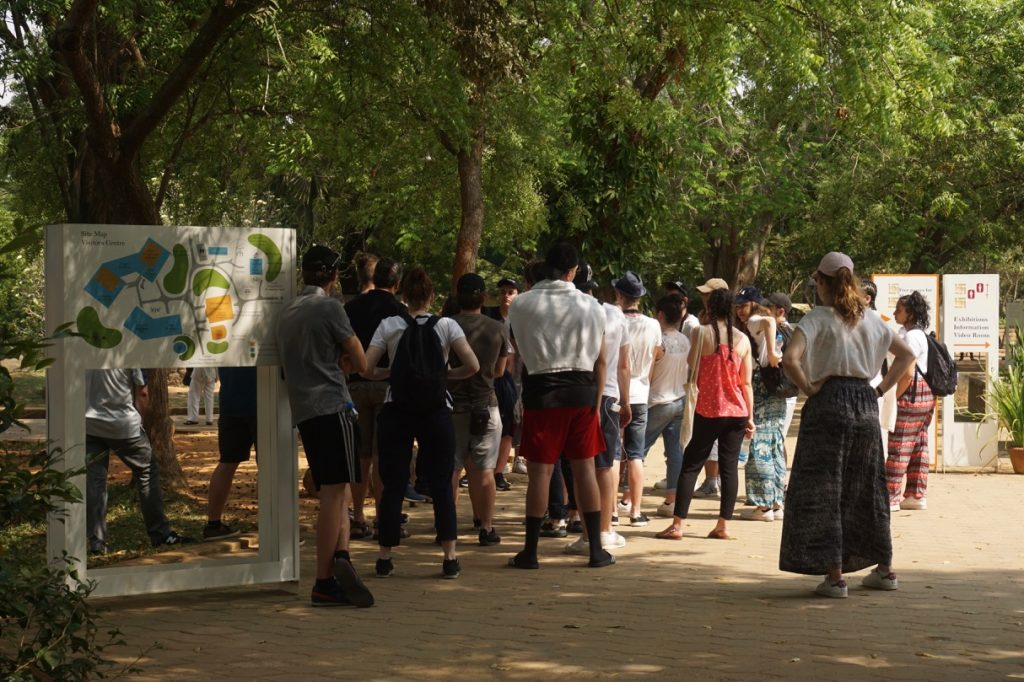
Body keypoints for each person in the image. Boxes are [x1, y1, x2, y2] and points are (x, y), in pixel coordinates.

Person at [779, 251, 916, 598]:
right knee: (868, 485)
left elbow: (790, 359)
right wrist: (881, 389)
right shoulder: (871, 319)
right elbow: (907, 356)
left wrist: (808, 387)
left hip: (828, 402)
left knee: (826, 486)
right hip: (865, 404)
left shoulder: (816, 319)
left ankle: (836, 577)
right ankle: (885, 569)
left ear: (821, 283)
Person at [362, 267, 480, 579]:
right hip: (435, 409)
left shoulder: (389, 324)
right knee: (442, 483)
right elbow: (473, 365)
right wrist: (444, 375)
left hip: (397, 409)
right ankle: (450, 556)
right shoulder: (447, 325)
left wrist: (387, 374)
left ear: (403, 295)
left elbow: (366, 366)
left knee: (393, 483)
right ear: (431, 296)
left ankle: (385, 557)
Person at [276, 244, 374, 608]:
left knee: (337, 490)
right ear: (333, 276)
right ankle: (323, 580)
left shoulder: (286, 310)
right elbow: (362, 362)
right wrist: (345, 359)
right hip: (333, 405)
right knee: (335, 494)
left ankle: (343, 555)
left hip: (305, 410)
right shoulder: (330, 307)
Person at [507, 243, 614, 569]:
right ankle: (596, 549)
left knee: (540, 473)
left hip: (542, 393)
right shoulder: (592, 306)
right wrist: (596, 405)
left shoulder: (520, 305)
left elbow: (517, 347)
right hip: (581, 393)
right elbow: (599, 357)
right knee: (584, 470)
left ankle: (530, 552)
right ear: (574, 271)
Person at [655, 287, 754, 541]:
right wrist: (751, 417)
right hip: (737, 411)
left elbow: (691, 362)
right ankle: (723, 525)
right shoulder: (742, 340)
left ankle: (677, 525)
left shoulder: (701, 332)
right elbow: (746, 383)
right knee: (729, 468)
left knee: (690, 466)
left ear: (710, 308)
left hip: (708, 409)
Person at [86, 369, 193, 555]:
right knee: (147, 472)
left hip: (89, 425)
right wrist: (142, 421)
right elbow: (142, 392)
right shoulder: (129, 349)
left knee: (95, 481)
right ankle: (160, 533)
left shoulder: (82, 346)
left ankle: (97, 543)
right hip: (123, 425)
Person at [564, 259, 630, 555]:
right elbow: (624, 365)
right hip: (611, 397)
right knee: (605, 464)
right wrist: (625, 401)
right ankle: (605, 529)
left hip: (580, 392)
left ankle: (590, 532)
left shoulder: (569, 312)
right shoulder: (615, 314)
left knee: (583, 465)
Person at [344, 257, 410, 538]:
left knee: (361, 455)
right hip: (387, 387)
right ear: (396, 284)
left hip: (355, 385)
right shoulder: (400, 313)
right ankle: (385, 518)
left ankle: (358, 517)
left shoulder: (351, 307)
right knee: (385, 456)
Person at [449, 273, 509, 546]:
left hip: (452, 407)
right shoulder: (497, 328)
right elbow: (499, 370)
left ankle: (447, 527)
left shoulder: (445, 326)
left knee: (452, 469)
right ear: (483, 298)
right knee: (485, 470)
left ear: (457, 297)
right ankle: (486, 527)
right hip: (486, 404)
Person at [734, 286, 786, 522]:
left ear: (754, 304)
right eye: (738, 306)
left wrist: (773, 354)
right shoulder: (766, 321)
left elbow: (766, 322)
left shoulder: (756, 320)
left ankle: (763, 506)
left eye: (743, 305)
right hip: (775, 384)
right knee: (775, 442)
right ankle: (776, 502)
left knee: (759, 440)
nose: (740, 311)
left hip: (760, 382)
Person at [615, 271, 661, 527]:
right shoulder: (653, 325)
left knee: (612, 454)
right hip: (640, 392)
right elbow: (654, 358)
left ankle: (611, 510)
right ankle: (635, 511)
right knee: (635, 454)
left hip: (615, 391)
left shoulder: (613, 321)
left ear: (620, 295)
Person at [887, 291, 935, 511]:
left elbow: (907, 373)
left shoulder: (911, 337)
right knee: (918, 445)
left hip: (912, 393)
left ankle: (891, 496)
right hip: (926, 394)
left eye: (899, 309)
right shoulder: (920, 334)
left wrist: (894, 398)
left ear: (910, 313)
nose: (895, 313)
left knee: (899, 445)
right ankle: (916, 494)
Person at [645, 294, 690, 519]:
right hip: (679, 400)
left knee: (637, 449)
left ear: (659, 315)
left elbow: (650, 373)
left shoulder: (659, 342)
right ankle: (672, 499)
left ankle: (624, 496)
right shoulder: (685, 340)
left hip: (658, 401)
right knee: (675, 452)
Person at [203, 366, 257, 540]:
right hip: (262, 403)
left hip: (231, 405)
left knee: (227, 463)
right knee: (271, 466)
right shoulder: (262, 339)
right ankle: (278, 527)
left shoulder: (226, 340)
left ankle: (213, 524)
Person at [691, 277, 730, 498]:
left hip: (723, 392)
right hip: (706, 389)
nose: (704, 299)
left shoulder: (727, 324)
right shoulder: (703, 319)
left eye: (708, 295)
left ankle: (714, 480)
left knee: (716, 441)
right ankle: (711, 480)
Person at [483, 277, 521, 487]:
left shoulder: (521, 320)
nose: (506, 296)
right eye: (503, 291)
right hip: (489, 378)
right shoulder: (488, 315)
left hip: (512, 382)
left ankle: (498, 472)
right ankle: (483, 470)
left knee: (508, 428)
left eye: (511, 292)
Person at [765, 292, 799, 456]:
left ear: (780, 311)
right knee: (779, 439)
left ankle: (780, 481)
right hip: (786, 390)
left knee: (777, 440)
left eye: (769, 307)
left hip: (783, 392)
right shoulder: (792, 331)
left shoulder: (779, 332)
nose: (764, 310)